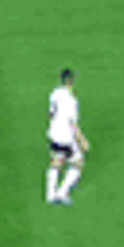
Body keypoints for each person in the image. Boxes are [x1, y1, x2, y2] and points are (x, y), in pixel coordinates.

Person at [45, 68, 89, 205]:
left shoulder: (54, 93)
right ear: (71, 81)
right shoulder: (71, 101)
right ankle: (62, 193)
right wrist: (83, 141)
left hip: (53, 134)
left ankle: (50, 195)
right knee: (78, 162)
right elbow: (73, 125)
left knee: (56, 161)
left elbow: (50, 114)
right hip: (66, 137)